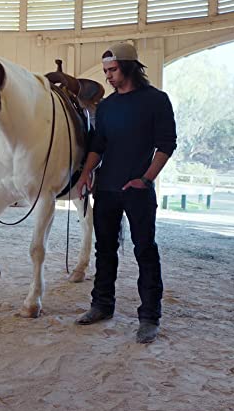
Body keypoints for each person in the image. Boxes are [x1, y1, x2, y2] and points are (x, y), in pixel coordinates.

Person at [72, 42, 177, 344]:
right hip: (106, 188)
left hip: (138, 190)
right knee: (104, 250)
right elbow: (97, 145)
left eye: (112, 70)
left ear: (129, 66)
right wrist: (85, 174)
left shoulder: (156, 100)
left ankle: (149, 317)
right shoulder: (106, 106)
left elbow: (166, 144)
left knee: (144, 249)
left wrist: (145, 179)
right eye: (105, 71)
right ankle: (102, 305)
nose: (108, 76)